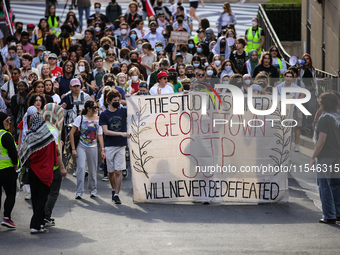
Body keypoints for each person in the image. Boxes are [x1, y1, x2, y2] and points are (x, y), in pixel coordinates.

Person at [19, 113, 58, 234]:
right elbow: (55, 155)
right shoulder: (50, 138)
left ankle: (40, 223)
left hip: (33, 172)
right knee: (42, 198)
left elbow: (24, 155)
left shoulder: (30, 137)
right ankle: (35, 225)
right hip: (46, 173)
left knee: (35, 198)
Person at [310, 92, 340, 224]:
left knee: (324, 186)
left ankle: (328, 215)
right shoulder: (338, 117)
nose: (319, 103)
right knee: (336, 185)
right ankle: (338, 213)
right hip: (338, 155)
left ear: (324, 103)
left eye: (320, 102)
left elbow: (321, 140)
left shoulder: (325, 118)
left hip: (326, 155)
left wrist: (313, 156)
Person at [99, 88, 130, 204]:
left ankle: (116, 194)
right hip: (109, 146)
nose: (118, 102)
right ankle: (113, 189)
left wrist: (130, 98)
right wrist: (121, 133)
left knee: (118, 171)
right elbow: (106, 132)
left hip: (120, 145)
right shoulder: (104, 114)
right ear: (109, 101)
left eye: (119, 100)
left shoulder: (123, 111)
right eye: (115, 100)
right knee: (111, 172)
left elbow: (136, 109)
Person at [70, 100, 104, 199]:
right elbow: (71, 133)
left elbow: (100, 136)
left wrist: (102, 150)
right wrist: (73, 149)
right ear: (88, 108)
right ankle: (79, 192)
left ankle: (93, 190)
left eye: (97, 107)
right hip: (81, 145)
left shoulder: (98, 119)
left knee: (93, 170)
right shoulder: (80, 118)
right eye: (94, 108)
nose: (96, 109)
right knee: (81, 168)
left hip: (93, 146)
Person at [42, 103, 66, 226]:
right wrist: (62, 167)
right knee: (53, 192)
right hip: (53, 166)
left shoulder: (39, 127)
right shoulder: (53, 130)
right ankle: (46, 216)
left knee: (42, 193)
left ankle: (40, 217)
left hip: (40, 166)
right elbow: (56, 152)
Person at [276, 70, 304, 152]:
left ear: (292, 78)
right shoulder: (279, 87)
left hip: (294, 108)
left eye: (290, 77)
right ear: (284, 77)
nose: (288, 78)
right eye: (287, 76)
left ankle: (296, 145)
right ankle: (284, 145)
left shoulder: (296, 88)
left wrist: (298, 101)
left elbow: (302, 94)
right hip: (283, 109)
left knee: (297, 126)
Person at [0, 112, 18, 229]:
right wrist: (15, 165)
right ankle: (6, 218)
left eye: (9, 120)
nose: (9, 122)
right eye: (7, 120)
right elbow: (12, 152)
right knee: (11, 193)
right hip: (7, 170)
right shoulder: (6, 136)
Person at [299, 53, 318, 137]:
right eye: (304, 59)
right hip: (303, 90)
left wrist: (316, 93)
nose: (306, 60)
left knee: (311, 109)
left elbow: (315, 81)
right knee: (303, 109)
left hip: (311, 90)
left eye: (307, 59)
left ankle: (310, 126)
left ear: (310, 60)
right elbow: (297, 79)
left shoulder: (312, 69)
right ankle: (303, 127)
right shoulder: (300, 69)